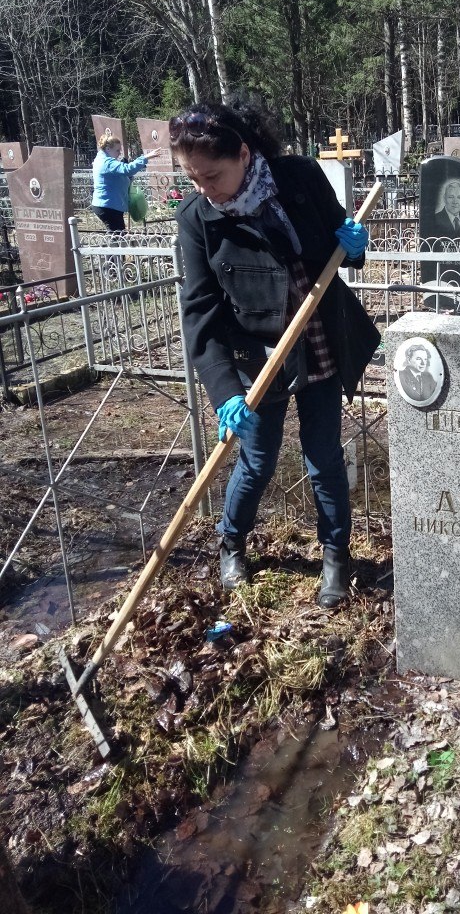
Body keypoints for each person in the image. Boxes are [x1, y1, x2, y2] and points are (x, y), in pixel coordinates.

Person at [170, 100, 380, 606]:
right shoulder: (198, 219)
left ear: (244, 153)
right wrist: (224, 389)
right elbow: (200, 311)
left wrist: (352, 246)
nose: (205, 189)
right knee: (258, 459)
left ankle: (335, 557)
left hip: (318, 337)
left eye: (213, 175)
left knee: (323, 457)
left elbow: (340, 247)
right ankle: (231, 543)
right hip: (256, 357)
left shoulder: (300, 178)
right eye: (193, 178)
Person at [91, 134, 160, 233]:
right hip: (108, 205)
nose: (119, 154)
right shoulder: (107, 162)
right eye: (117, 150)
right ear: (107, 149)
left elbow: (119, 176)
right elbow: (128, 169)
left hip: (108, 205)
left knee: (117, 235)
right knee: (118, 237)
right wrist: (145, 157)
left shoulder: (103, 160)